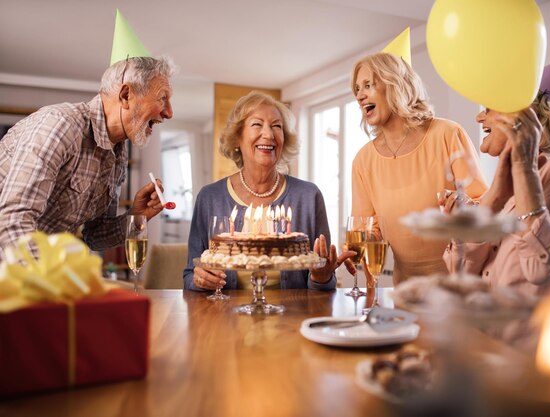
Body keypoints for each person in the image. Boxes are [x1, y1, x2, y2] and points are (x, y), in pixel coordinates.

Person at [442, 46, 550, 358]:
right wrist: (491, 202)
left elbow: (540, 268)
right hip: (496, 365)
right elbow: (459, 276)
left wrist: (523, 167)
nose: (480, 116)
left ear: (525, 118)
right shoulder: (506, 189)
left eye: (490, 107)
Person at [0, 56, 176, 260]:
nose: (169, 112)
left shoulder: (118, 153)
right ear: (126, 95)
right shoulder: (60, 125)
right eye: (163, 98)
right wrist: (49, 283)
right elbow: (11, 220)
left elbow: (96, 236)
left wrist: (137, 216)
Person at [184, 91, 353, 291]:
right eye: (257, 124)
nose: (269, 134)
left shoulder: (308, 197)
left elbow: (325, 282)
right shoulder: (210, 198)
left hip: (291, 317)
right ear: (237, 137)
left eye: (276, 126)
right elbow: (188, 276)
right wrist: (200, 281)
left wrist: (321, 278)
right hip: (227, 319)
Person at [350, 52, 487, 284]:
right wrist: (361, 245)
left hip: (460, 287)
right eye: (357, 89)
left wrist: (465, 207)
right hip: (407, 291)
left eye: (368, 85)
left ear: (396, 85)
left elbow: (485, 205)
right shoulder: (363, 160)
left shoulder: (447, 134)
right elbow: (367, 229)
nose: (360, 96)